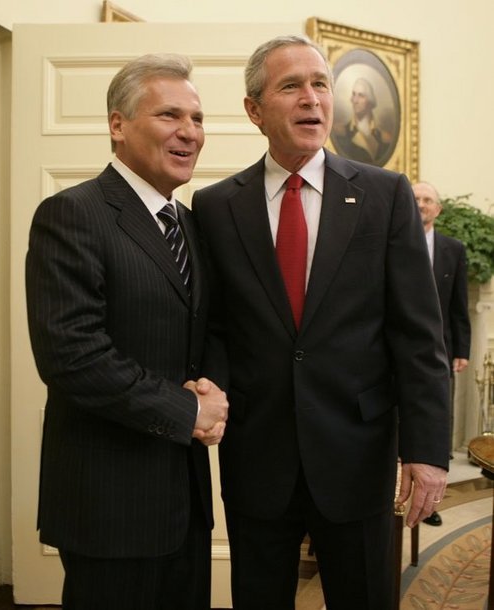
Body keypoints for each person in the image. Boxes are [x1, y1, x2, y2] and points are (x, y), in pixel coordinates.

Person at [192, 36, 450, 610]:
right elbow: (215, 326)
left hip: (357, 451)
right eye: (291, 86)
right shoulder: (213, 206)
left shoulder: (384, 195)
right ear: (255, 109)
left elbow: (418, 334)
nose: (312, 98)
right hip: (257, 454)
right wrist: (209, 390)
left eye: (320, 84)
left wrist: (427, 451)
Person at [25, 53, 228, 610]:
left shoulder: (189, 223)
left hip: (184, 501)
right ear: (118, 125)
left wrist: (211, 389)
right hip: (108, 506)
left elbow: (200, 330)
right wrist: (186, 412)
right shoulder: (72, 214)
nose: (191, 132)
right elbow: (72, 356)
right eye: (170, 115)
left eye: (198, 118)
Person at [413, 181, 471, 527]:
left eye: (428, 200)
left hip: (440, 350)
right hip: (395, 353)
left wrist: (462, 349)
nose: (421, 205)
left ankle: (431, 505)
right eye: (416, 199)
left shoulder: (454, 249)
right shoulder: (390, 240)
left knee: (437, 420)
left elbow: (458, 306)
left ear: (438, 209)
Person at [332, 77, 392, 166]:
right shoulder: (341, 132)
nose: (355, 100)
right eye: (353, 94)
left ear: (370, 101)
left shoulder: (384, 138)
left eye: (361, 95)